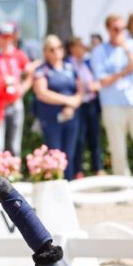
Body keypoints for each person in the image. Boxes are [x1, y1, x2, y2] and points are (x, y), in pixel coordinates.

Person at [90, 14, 133, 178]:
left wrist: (125, 49)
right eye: (115, 29)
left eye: (122, 28)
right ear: (108, 29)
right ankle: (123, 189)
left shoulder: (131, 45)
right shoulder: (99, 51)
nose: (119, 32)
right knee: (118, 151)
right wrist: (124, 71)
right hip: (113, 105)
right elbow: (103, 80)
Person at [0, 22, 34, 156]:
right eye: (4, 37)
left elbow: (30, 72)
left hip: (15, 103)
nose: (6, 40)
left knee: (14, 145)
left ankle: (14, 174)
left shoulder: (18, 54)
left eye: (9, 37)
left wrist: (22, 88)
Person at [32, 35, 81, 180]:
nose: (56, 51)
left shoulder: (70, 67)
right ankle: (56, 189)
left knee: (69, 155)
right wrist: (67, 101)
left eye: (59, 47)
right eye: (51, 49)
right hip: (51, 119)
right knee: (55, 155)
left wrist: (73, 104)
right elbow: (41, 92)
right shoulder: (42, 70)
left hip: (71, 117)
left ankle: (69, 187)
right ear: (45, 52)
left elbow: (80, 90)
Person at [66, 36, 103, 178]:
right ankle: (78, 170)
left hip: (91, 104)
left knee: (94, 137)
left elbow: (96, 81)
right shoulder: (68, 64)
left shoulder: (88, 62)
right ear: (72, 48)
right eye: (79, 46)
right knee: (79, 139)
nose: (83, 48)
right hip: (78, 105)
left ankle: (98, 168)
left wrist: (93, 86)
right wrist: (86, 87)